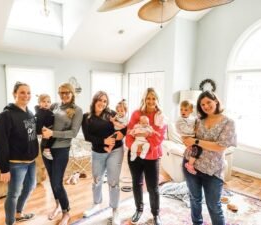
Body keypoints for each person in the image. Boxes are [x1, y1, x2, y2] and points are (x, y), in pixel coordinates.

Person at [182, 91, 237, 225]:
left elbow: (220, 146)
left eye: (208, 102)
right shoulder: (198, 120)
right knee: (195, 199)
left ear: (216, 101)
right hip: (191, 165)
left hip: (213, 170)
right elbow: (186, 136)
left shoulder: (228, 122)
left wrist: (195, 142)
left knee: (214, 205)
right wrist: (186, 139)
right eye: (202, 104)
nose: (206, 106)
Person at [0, 81, 39, 225]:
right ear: (15, 94)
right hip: (15, 163)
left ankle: (18, 213)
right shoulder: (6, 115)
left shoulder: (30, 113)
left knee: (31, 186)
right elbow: (0, 144)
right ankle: (10, 222)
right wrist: (4, 169)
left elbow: (29, 133)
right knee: (13, 194)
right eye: (22, 92)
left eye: (28, 92)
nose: (26, 95)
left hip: (31, 161)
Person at [81, 91, 126, 225]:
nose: (102, 103)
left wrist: (120, 135)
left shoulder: (111, 114)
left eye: (105, 101)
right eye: (100, 100)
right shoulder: (86, 117)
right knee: (97, 180)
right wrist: (103, 141)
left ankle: (115, 210)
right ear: (94, 101)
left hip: (115, 151)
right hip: (98, 152)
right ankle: (96, 204)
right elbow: (87, 136)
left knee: (113, 182)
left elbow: (124, 127)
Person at [42, 83, 83, 225]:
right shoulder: (55, 106)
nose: (64, 95)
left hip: (61, 149)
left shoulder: (77, 110)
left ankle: (66, 212)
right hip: (47, 148)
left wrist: (52, 133)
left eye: (67, 92)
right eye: (61, 92)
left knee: (57, 182)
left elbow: (73, 132)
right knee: (52, 181)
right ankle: (58, 206)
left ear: (72, 93)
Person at [126, 87, 167, 225]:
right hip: (135, 155)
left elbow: (158, 139)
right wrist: (135, 147)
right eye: (148, 98)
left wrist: (145, 141)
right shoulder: (136, 114)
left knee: (152, 187)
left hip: (152, 156)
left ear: (157, 100)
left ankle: (155, 214)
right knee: (137, 184)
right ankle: (139, 209)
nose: (151, 101)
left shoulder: (160, 116)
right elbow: (129, 133)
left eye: (153, 98)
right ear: (144, 99)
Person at [176, 100, 202, 174]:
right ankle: (189, 164)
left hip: (191, 136)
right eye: (181, 109)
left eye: (186, 110)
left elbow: (196, 121)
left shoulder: (192, 118)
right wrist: (195, 130)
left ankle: (191, 161)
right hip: (186, 136)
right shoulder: (180, 119)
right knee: (197, 149)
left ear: (191, 111)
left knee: (196, 149)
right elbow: (186, 129)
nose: (183, 111)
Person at [35, 94, 55, 160]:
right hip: (47, 128)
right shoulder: (40, 112)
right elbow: (39, 122)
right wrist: (39, 132)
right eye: (44, 101)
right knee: (51, 138)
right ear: (39, 103)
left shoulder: (47, 110)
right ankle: (46, 150)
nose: (46, 103)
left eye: (48, 102)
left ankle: (47, 149)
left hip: (50, 127)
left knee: (53, 137)